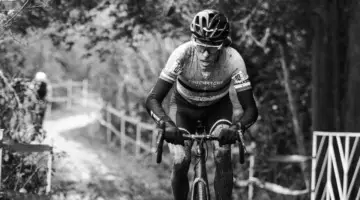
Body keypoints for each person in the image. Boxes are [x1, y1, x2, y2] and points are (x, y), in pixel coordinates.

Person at [145, 9, 258, 200]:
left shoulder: (233, 59)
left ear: (223, 45)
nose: (205, 54)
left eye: (213, 48)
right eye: (200, 46)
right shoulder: (182, 54)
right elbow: (152, 99)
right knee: (181, 160)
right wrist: (166, 123)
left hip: (217, 109)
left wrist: (237, 127)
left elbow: (251, 109)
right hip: (183, 109)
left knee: (222, 154)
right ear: (193, 41)